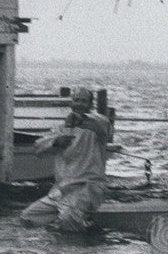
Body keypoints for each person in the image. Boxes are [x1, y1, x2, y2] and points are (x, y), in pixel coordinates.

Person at [20, 87, 113, 232]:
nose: (79, 104)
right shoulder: (61, 128)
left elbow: (101, 124)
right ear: (71, 103)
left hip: (88, 187)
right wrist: (56, 142)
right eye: (76, 100)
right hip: (61, 189)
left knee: (68, 220)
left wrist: (82, 120)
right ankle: (80, 226)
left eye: (84, 101)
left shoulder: (98, 125)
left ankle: (77, 247)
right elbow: (38, 148)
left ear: (90, 105)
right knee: (27, 218)